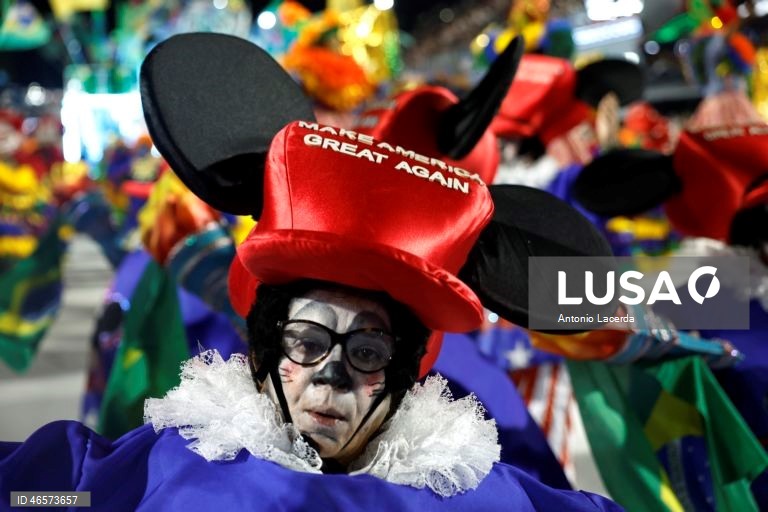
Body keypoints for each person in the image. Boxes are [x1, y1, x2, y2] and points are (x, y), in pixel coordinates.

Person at [0, 33, 623, 510]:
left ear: (406, 368)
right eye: (308, 343)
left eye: (370, 352)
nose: (330, 376)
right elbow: (52, 495)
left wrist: (687, 327)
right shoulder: (158, 469)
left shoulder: (473, 489)